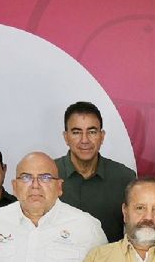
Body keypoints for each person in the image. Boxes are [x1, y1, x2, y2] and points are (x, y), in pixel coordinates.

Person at [56, 101, 136, 242]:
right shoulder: (48, 175)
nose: (85, 140)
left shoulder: (124, 177)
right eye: (76, 132)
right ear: (65, 137)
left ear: (102, 136)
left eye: (92, 132)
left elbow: (135, 230)